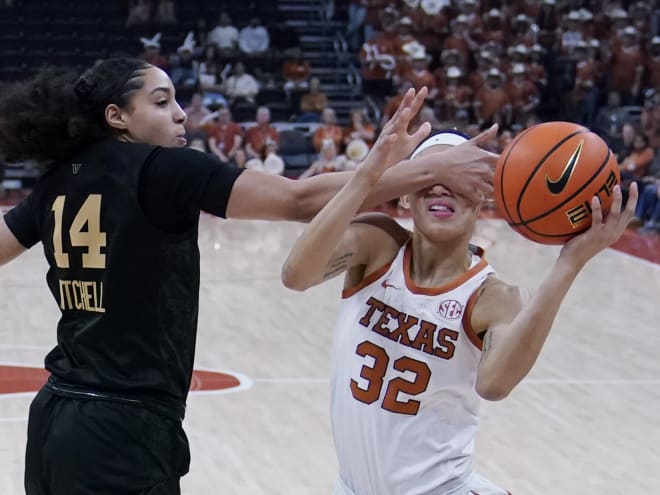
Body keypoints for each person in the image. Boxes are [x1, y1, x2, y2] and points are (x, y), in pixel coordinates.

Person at [0, 59, 497, 495]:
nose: (180, 114)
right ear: (118, 117)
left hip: (53, 419)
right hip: (122, 429)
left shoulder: (61, 178)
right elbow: (298, 201)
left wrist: (388, 169)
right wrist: (431, 169)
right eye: (161, 101)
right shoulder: (163, 170)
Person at [281, 129, 638, 495]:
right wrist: (368, 176)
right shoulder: (379, 244)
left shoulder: (494, 297)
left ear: (483, 196)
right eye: (430, 173)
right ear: (404, 191)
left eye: (458, 177)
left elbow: (494, 385)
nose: (441, 187)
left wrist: (569, 264)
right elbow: (296, 275)